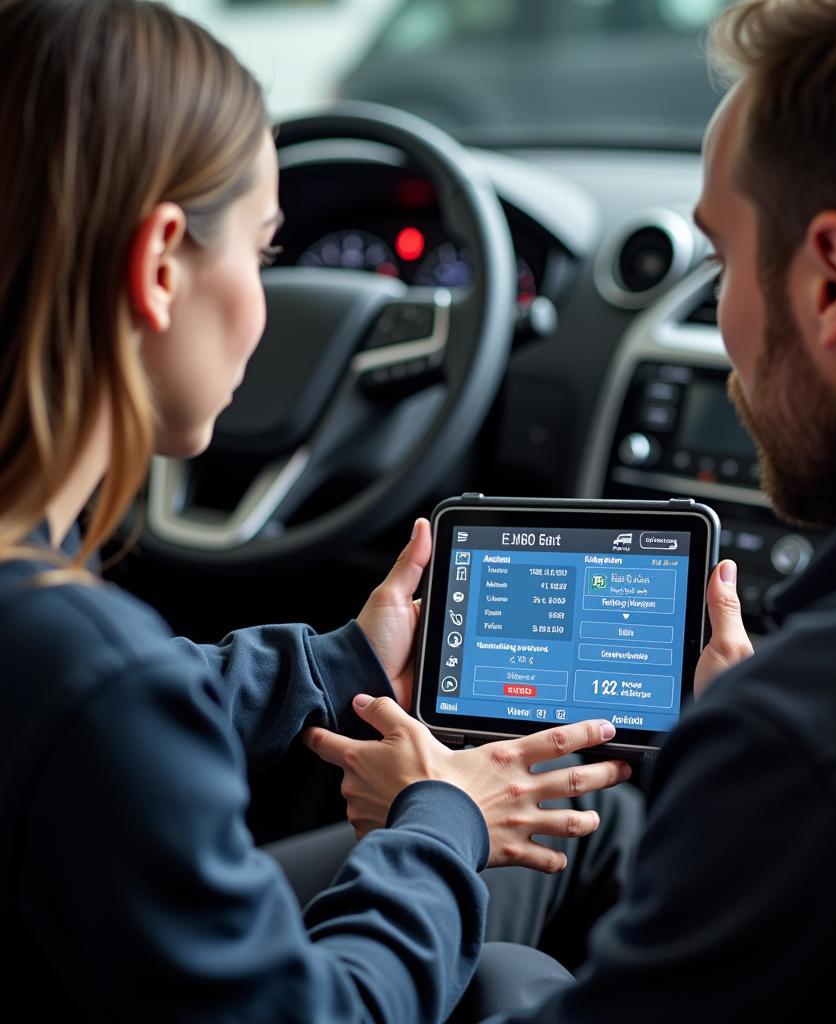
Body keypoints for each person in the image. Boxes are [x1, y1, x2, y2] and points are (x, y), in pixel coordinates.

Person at [308, 0, 836, 1018]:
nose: (718, 314)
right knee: (591, 830)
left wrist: (427, 824)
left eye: (722, 259)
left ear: (831, 280)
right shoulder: (823, 717)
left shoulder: (818, 729)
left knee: (503, 975)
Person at [0, 1, 638, 1019]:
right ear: (161, 264)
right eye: (261, 254)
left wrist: (341, 662)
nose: (269, 300)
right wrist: (439, 821)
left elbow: (94, 705)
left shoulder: (50, 631)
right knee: (527, 960)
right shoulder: (85, 663)